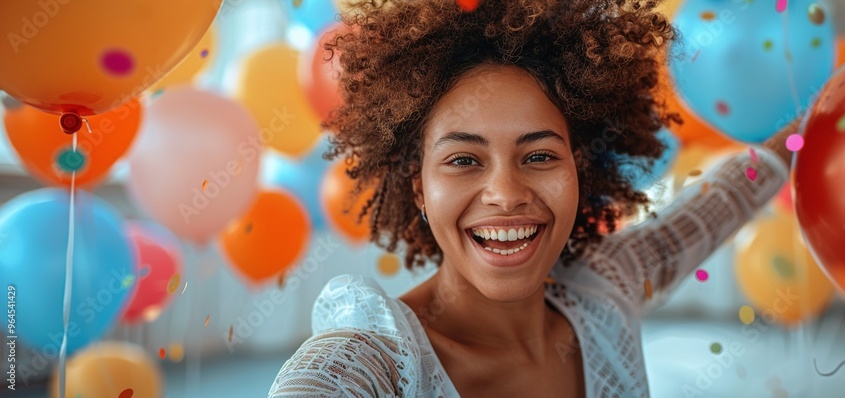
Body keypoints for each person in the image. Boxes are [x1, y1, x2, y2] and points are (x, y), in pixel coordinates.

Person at [269, 0, 796, 396]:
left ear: (578, 168)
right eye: (463, 159)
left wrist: (828, 116)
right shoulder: (370, 363)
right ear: (419, 188)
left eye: (540, 156)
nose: (505, 195)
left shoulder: (603, 292)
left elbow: (724, 200)